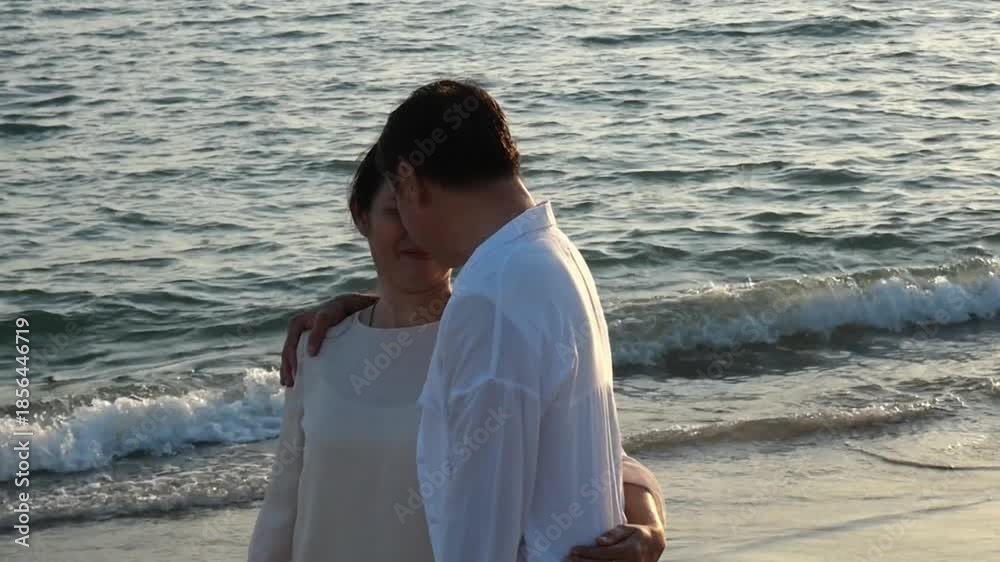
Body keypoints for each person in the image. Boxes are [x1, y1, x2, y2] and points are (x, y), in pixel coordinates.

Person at [278, 79, 664, 562]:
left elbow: (480, 535)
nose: (410, 233)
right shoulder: (554, 259)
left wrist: (649, 523)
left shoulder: (489, 303)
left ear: (412, 183)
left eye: (401, 204)